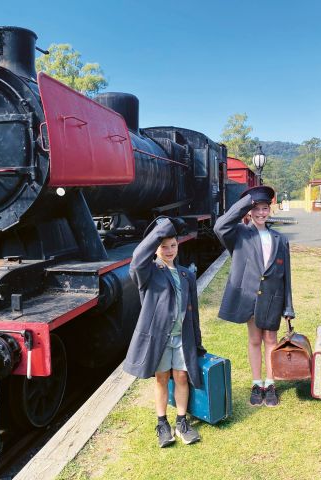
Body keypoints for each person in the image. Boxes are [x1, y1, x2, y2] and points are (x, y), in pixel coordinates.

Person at [124, 216, 206, 447]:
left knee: (181, 376)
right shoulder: (148, 272)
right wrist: (160, 231)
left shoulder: (186, 275)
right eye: (163, 246)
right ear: (156, 247)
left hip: (182, 337)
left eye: (173, 245)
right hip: (160, 338)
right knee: (161, 378)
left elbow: (193, 312)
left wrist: (197, 341)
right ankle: (162, 423)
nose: (169, 250)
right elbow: (138, 257)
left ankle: (181, 421)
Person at [214, 185, 295, 407]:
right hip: (249, 296)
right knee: (254, 340)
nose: (261, 213)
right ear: (249, 211)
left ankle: (270, 383)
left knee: (271, 339)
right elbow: (220, 225)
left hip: (273, 296)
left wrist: (288, 306)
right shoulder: (239, 234)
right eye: (256, 208)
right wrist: (245, 203)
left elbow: (286, 275)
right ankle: (256, 383)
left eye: (265, 208)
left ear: (270, 210)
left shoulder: (280, 239)